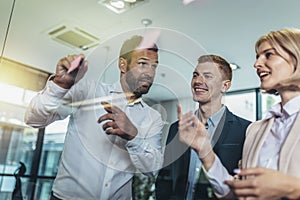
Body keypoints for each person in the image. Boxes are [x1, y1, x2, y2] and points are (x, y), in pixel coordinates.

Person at [25, 35, 164, 200]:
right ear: (123, 65)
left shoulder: (153, 117)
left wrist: (133, 136)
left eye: (154, 66)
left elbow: (152, 169)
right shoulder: (88, 92)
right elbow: (33, 119)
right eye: (142, 64)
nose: (150, 72)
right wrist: (59, 87)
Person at [179, 29, 300, 200]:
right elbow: (237, 194)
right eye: (257, 56)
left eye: (268, 55)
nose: (257, 64)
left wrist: (293, 189)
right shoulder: (255, 130)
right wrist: (206, 152)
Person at [155, 54, 251, 199]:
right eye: (195, 75)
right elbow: (165, 178)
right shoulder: (177, 128)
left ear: (225, 86)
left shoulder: (245, 130)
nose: (198, 81)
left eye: (207, 76)